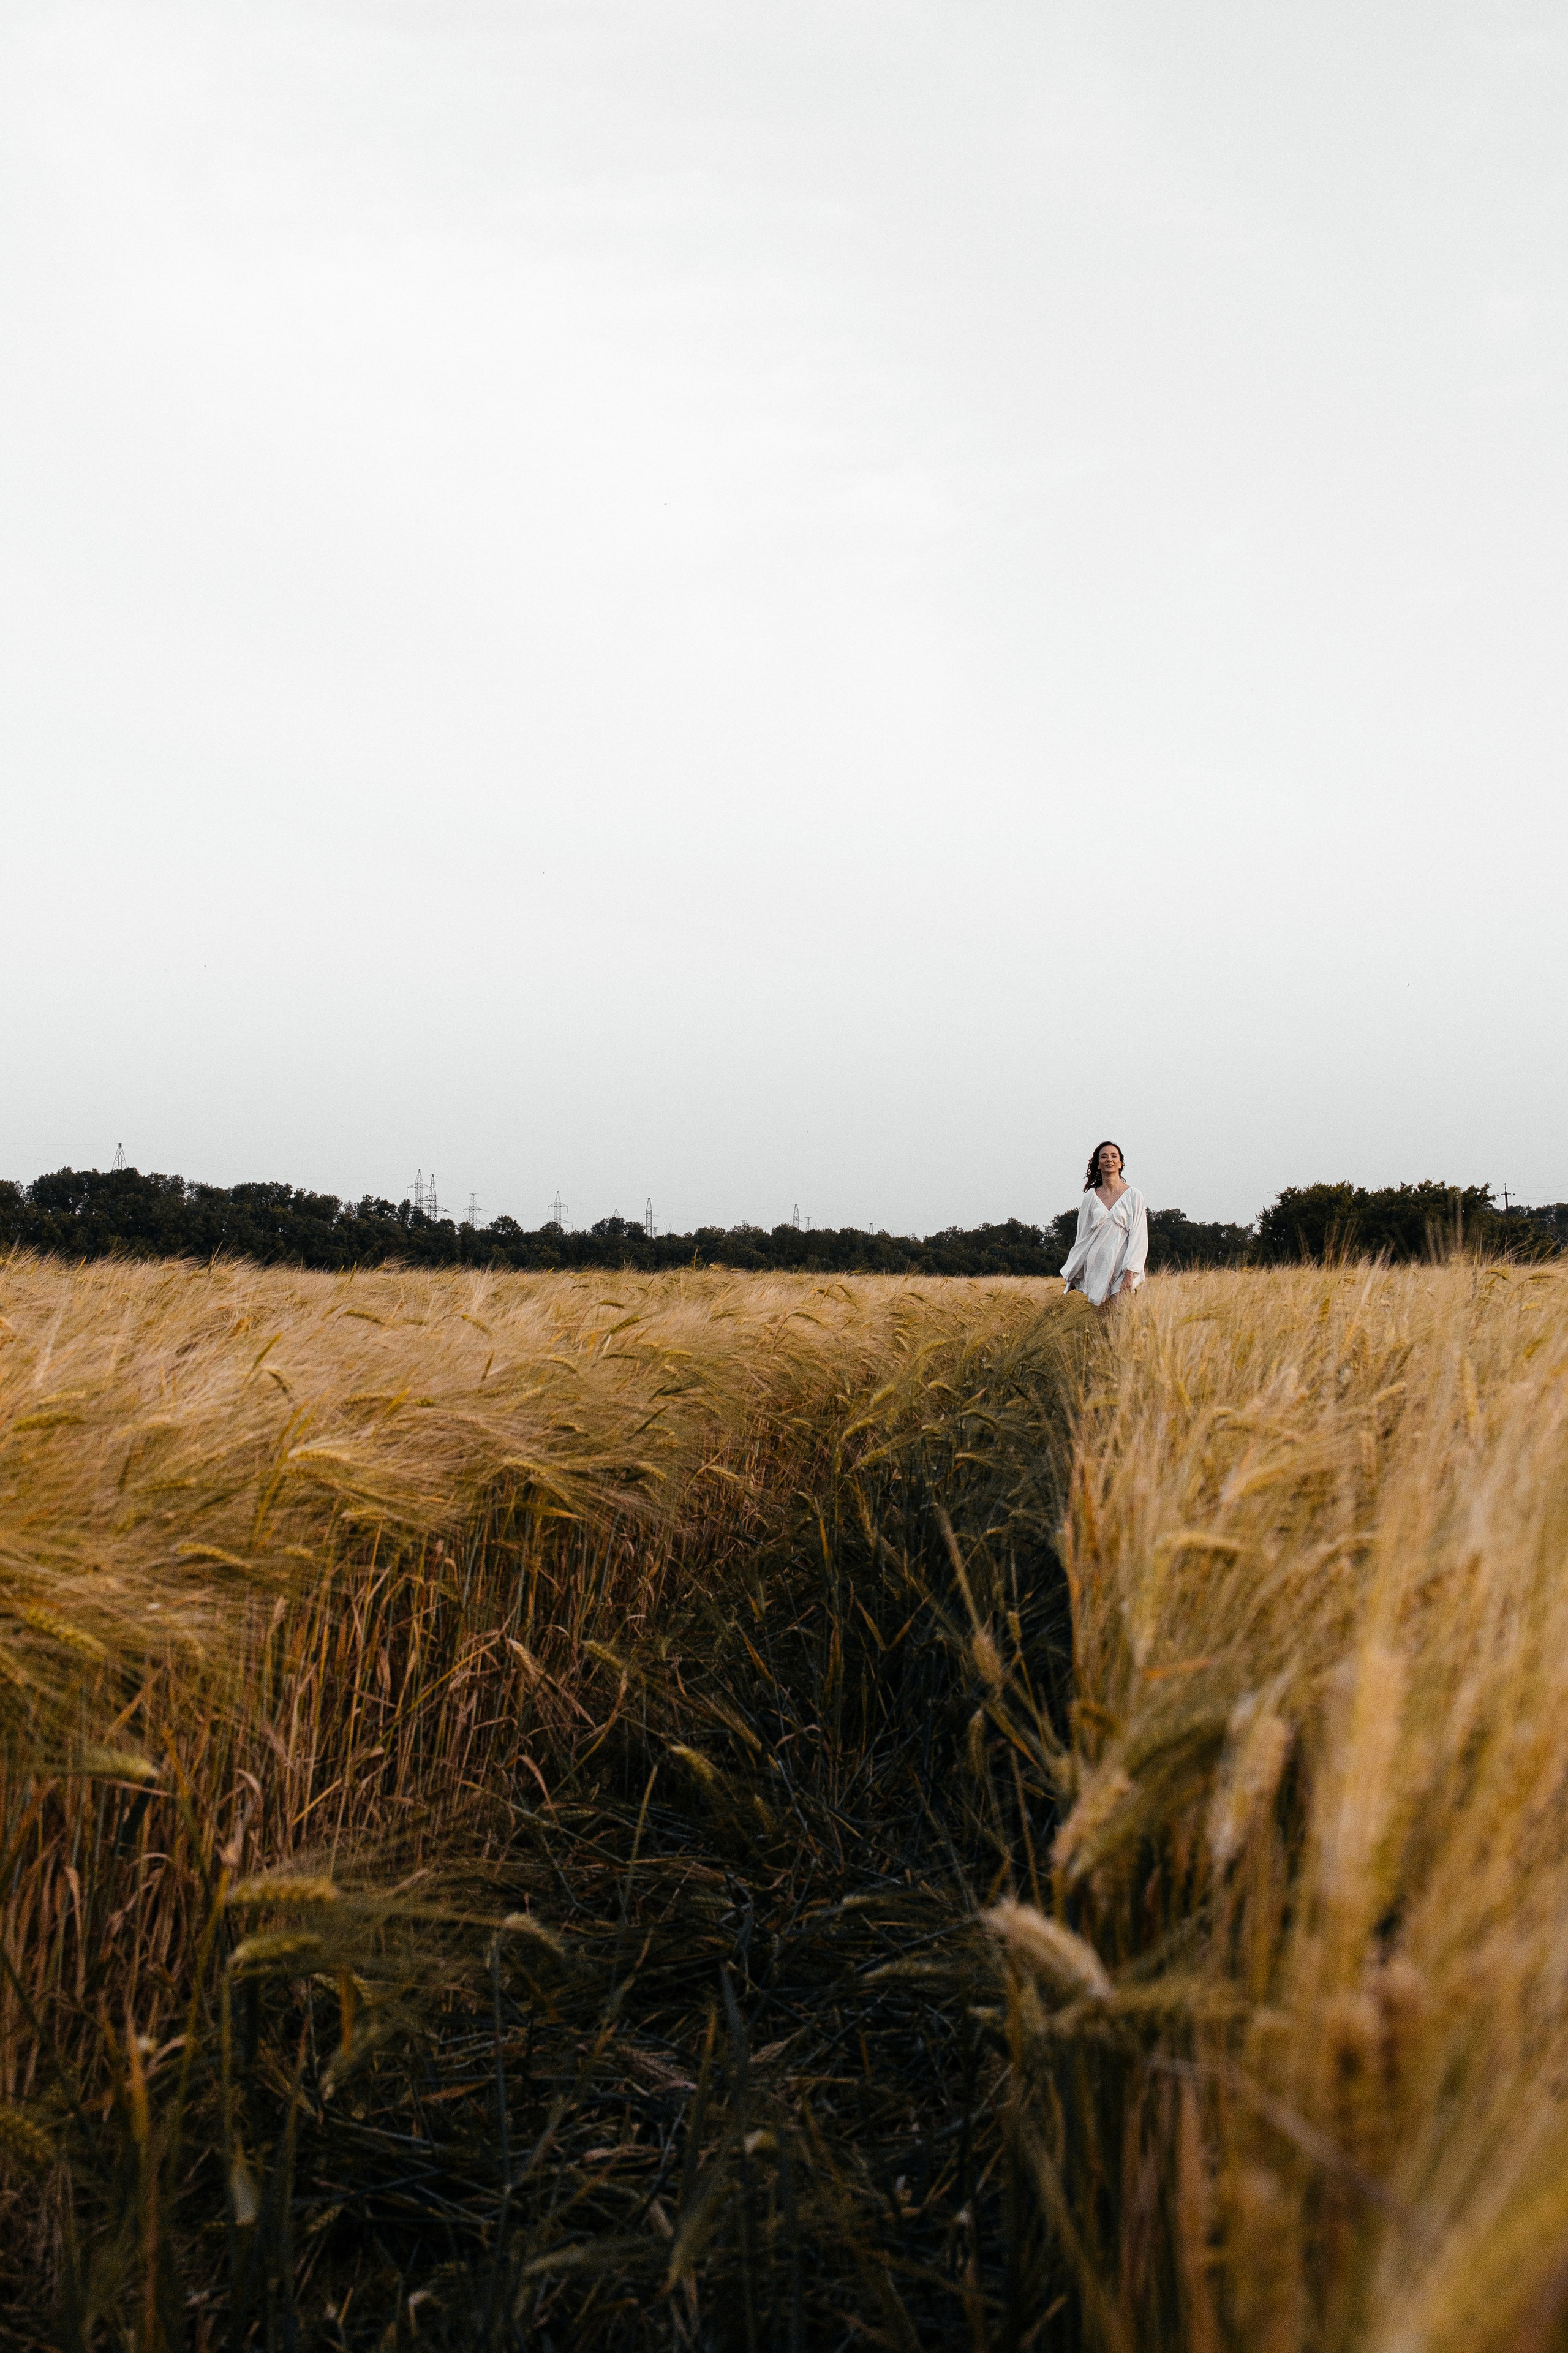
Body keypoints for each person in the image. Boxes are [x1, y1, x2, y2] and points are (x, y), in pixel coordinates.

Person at [1059, 1141, 1148, 1305]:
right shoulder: (1090, 1197)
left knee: (1121, 1317)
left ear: (1120, 1163)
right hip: (1097, 1267)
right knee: (1101, 1322)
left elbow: (1139, 1235)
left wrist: (1131, 1272)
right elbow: (1083, 1237)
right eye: (1104, 1157)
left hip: (1122, 1268)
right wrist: (1075, 1271)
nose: (1109, 1160)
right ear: (1098, 1164)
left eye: (1114, 1156)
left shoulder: (1134, 1195)